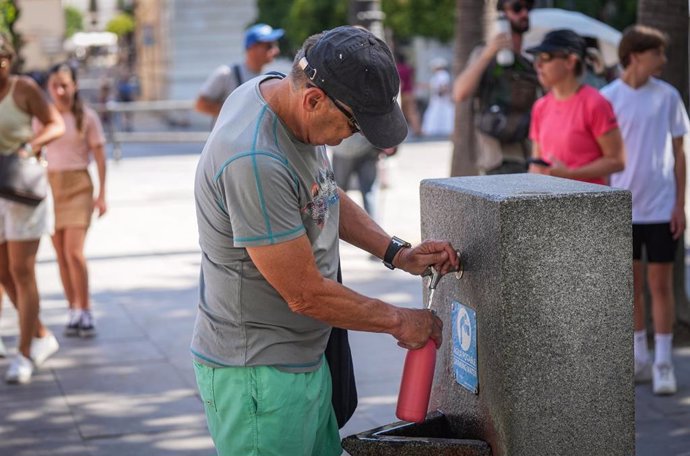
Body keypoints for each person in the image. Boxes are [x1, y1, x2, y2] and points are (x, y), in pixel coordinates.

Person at [192, 26, 459, 455]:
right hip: (260, 377)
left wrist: (398, 253)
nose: (354, 136)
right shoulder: (254, 159)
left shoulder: (279, 98)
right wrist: (399, 320)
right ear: (314, 99)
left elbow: (323, 193)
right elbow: (304, 294)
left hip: (301, 361)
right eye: (354, 123)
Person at [601, 25, 689, 395]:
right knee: (631, 288)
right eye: (658, 53)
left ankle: (664, 362)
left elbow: (679, 154)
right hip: (622, 209)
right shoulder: (607, 98)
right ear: (636, 55)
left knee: (661, 286)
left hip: (660, 209)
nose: (664, 60)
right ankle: (639, 357)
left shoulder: (668, 96)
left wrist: (680, 205)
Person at [0, 31, 65, 384]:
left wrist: (31, 144)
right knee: (3, 273)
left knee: (21, 270)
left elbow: (56, 123)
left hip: (22, 188)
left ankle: (23, 354)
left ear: (5, 60)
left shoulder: (22, 88)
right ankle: (40, 334)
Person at [39, 63, 107, 338]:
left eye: (65, 84)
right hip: (50, 187)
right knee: (60, 254)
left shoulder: (87, 117)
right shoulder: (43, 117)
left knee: (74, 252)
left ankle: (86, 308)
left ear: (74, 86)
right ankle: (72, 309)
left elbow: (100, 156)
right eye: (54, 85)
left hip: (78, 185)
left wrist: (102, 194)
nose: (60, 90)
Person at [453, 0, 542, 174]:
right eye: (517, 8)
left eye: (528, 8)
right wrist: (489, 52)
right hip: (497, 159)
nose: (524, 13)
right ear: (502, 14)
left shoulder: (532, 59)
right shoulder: (484, 54)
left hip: (530, 157)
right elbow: (460, 93)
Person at [526, 29, 624, 184]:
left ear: (570, 61)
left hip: (587, 204)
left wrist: (571, 174)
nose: (538, 65)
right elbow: (537, 160)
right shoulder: (540, 106)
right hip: (548, 203)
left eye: (546, 57)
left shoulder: (595, 103)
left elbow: (617, 160)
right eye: (537, 58)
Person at [194, 23, 284, 121]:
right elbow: (200, 105)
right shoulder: (226, 74)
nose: (276, 50)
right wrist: (236, 112)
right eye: (269, 46)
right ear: (252, 48)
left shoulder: (267, 78)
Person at [421, 57, 454, 137]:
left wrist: (440, 93)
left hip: (440, 99)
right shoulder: (440, 75)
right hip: (437, 99)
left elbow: (444, 87)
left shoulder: (442, 75)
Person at [395, 52, 422, 137]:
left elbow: (400, 83)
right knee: (413, 112)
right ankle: (417, 130)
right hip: (410, 92)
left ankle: (399, 132)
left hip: (402, 93)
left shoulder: (397, 69)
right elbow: (412, 80)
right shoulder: (409, 68)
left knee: (399, 114)